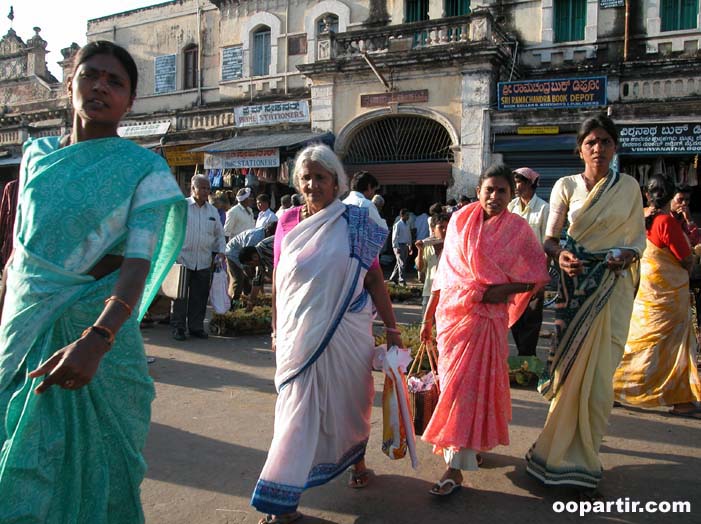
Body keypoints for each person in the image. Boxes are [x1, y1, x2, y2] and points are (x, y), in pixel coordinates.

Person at [0, 41, 186, 523]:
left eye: (115, 81)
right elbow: (21, 257)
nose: (101, 86)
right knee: (19, 471)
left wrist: (97, 340)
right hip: (21, 336)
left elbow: (137, 266)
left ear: (130, 101)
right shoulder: (36, 157)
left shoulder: (143, 169)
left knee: (100, 470)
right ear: (70, 83)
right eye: (91, 75)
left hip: (92, 340)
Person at [251, 144, 401, 523]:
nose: (313, 184)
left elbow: (373, 278)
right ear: (297, 183)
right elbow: (280, 281)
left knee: (352, 402)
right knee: (295, 412)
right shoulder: (286, 221)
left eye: (321, 177)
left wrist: (393, 326)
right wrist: (275, 328)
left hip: (347, 331)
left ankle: (356, 461)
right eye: (306, 178)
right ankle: (282, 498)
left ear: (336, 182)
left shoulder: (355, 222)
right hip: (297, 336)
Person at [525, 114, 646, 500]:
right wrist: (560, 256)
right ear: (580, 149)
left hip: (611, 287)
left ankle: (586, 456)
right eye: (591, 142)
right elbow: (551, 239)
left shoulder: (628, 188)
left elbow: (638, 241)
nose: (598, 148)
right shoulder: (565, 186)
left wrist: (625, 253)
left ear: (615, 147)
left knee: (597, 381)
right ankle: (553, 452)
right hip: (575, 288)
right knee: (571, 372)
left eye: (605, 141)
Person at [420, 164, 549, 496]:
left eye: (501, 191)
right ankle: (467, 446)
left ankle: (455, 467)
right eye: (488, 190)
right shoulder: (461, 222)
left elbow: (535, 274)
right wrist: (427, 317)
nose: (494, 196)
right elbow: (445, 275)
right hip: (453, 320)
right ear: (478, 191)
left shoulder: (518, 230)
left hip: (488, 320)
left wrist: (503, 290)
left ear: (512, 194)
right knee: (455, 388)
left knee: (471, 389)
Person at [613, 175, 701, 417]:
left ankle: (613, 388)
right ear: (671, 195)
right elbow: (685, 260)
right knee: (674, 349)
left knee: (637, 344)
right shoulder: (665, 223)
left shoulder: (639, 217)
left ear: (646, 193)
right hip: (668, 299)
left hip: (645, 294)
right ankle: (680, 399)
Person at [172, 174, 226, 341]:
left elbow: (219, 234)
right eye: (202, 188)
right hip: (182, 259)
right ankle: (178, 328)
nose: (205, 191)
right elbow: (171, 232)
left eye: (208, 188)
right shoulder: (182, 207)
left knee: (200, 296)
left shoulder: (212, 211)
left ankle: (196, 327)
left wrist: (221, 251)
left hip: (203, 260)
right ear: (193, 189)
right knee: (180, 297)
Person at [507, 167, 550, 356]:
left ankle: (528, 356)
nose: (515, 186)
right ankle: (522, 354)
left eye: (519, 182)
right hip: (514, 272)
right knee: (514, 316)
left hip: (535, 272)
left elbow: (548, 242)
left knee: (532, 317)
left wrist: (543, 276)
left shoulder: (543, 208)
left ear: (530, 184)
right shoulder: (511, 207)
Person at [225, 222, 276, 305]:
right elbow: (248, 258)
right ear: (268, 233)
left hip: (249, 257)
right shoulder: (255, 239)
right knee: (238, 279)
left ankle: (246, 301)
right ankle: (233, 303)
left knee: (250, 280)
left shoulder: (266, 246)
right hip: (233, 254)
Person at [415, 212, 449, 316]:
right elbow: (420, 268)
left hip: (447, 293)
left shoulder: (453, 246)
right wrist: (420, 251)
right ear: (433, 229)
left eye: (447, 227)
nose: (444, 230)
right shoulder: (427, 246)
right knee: (427, 323)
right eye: (441, 227)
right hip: (429, 291)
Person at [239, 236, 274, 311]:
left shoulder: (268, 248)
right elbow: (257, 282)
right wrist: (250, 303)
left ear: (254, 257)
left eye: (250, 264)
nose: (252, 267)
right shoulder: (260, 259)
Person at [389, 208, 411, 285]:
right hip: (399, 245)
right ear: (402, 215)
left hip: (405, 245)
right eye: (407, 215)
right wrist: (396, 247)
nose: (408, 217)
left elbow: (409, 235)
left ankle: (392, 278)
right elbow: (394, 237)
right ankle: (401, 280)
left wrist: (409, 245)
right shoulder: (397, 225)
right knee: (402, 263)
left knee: (399, 263)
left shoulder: (407, 225)